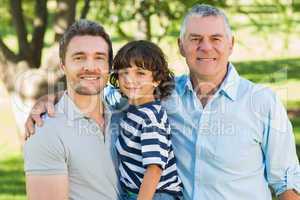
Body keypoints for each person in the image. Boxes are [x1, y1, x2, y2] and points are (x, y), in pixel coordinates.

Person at [24, 4, 300, 200]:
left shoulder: (262, 103)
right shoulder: (162, 93)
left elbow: (286, 182)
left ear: (231, 44)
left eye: (215, 38)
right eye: (195, 39)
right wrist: (51, 99)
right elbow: (95, 91)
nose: (206, 47)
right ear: (181, 46)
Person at [23, 20, 120, 200]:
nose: (90, 67)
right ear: (63, 66)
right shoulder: (46, 130)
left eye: (99, 57)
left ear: (109, 67)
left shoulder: (123, 116)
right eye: (79, 57)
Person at [110, 40, 182, 200]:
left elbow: (154, 169)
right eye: (124, 72)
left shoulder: (151, 116)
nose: (130, 79)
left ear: (156, 80)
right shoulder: (134, 109)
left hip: (156, 195)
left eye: (140, 73)